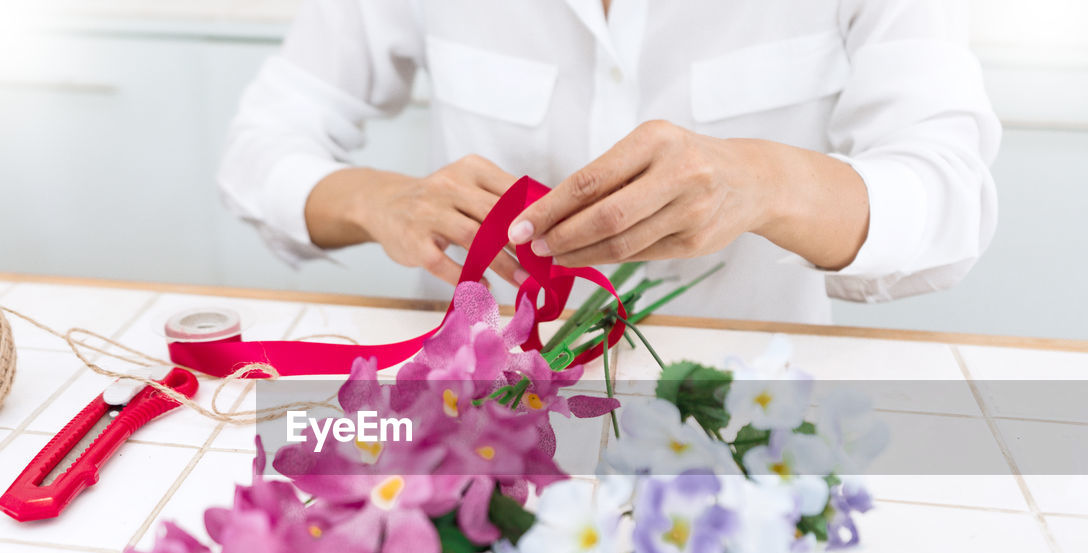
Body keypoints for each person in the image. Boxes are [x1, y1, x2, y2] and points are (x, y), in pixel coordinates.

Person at [218, 0, 1000, 324]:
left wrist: (765, 184)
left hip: (750, 426)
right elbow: (259, 146)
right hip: (474, 417)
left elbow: (949, 196)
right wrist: (377, 200)